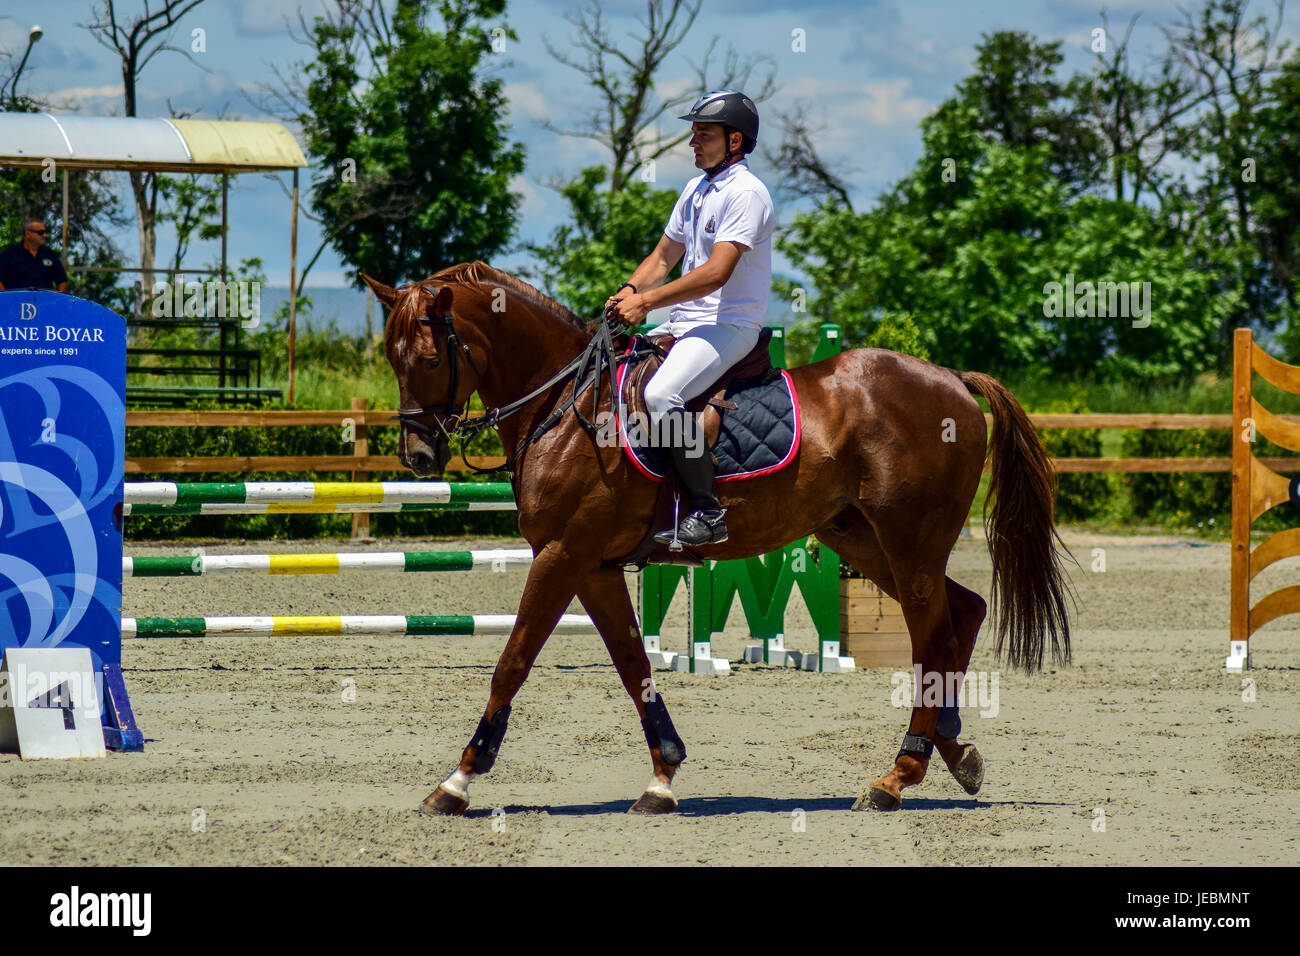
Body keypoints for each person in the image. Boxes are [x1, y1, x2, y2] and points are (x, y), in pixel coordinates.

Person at [607, 89, 774, 547]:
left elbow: (717, 273)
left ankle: (708, 511)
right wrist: (627, 291)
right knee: (611, 373)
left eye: (704, 133)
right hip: (684, 321)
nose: (692, 142)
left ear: (735, 141)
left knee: (661, 395)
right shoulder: (695, 189)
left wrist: (647, 303)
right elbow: (662, 257)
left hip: (729, 325)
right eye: (694, 132)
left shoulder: (747, 194)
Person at [0, 218, 70, 293]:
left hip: (45, 302)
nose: (44, 235)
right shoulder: (10, 254)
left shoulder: (49, 254)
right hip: (18, 302)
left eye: (44, 232)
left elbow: (62, 281)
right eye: (40, 232)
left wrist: (57, 300)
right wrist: (6, 299)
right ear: (27, 234)